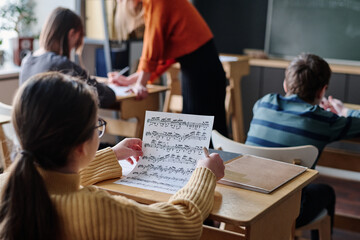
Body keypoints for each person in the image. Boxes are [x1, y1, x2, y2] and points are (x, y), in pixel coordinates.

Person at [0, 72, 225, 239]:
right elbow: (184, 223)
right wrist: (205, 174)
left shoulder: (9, 187)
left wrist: (111, 156)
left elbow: (56, 182)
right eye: (96, 126)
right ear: (80, 147)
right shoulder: (98, 211)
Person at [245, 53, 360, 240]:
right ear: (322, 91)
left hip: (245, 203)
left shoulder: (263, 104)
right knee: (326, 192)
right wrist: (343, 110)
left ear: (285, 85)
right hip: (287, 212)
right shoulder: (323, 120)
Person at [108, 0, 228, 137]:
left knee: (202, 132)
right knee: (202, 131)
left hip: (203, 71)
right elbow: (162, 56)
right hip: (200, 68)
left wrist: (140, 83)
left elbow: (153, 42)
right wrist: (131, 80)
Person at [19, 7, 116, 108]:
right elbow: (106, 96)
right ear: (72, 34)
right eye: (76, 42)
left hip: (32, 123)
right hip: (57, 123)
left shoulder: (27, 61)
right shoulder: (61, 64)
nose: (74, 47)